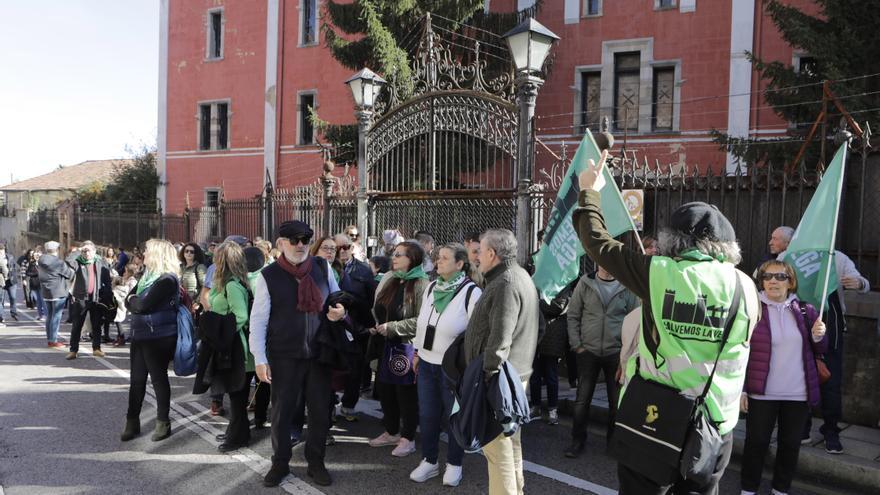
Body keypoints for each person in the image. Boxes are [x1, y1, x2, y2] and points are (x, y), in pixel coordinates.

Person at [573, 157, 760, 494]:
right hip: (715, 421)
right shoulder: (746, 287)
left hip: (655, 414)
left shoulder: (659, 272)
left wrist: (589, 191)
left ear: (671, 240)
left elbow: (598, 244)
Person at [249, 220, 344, 487]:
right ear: (281, 243)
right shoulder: (268, 276)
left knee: (319, 412)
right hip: (284, 355)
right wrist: (260, 358)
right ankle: (279, 464)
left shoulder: (322, 267)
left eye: (305, 239)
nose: (300, 245)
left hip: (319, 353)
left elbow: (338, 299)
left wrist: (341, 312)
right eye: (294, 240)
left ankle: (316, 462)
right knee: (282, 412)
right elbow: (258, 320)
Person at [771, 225, 870, 454]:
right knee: (800, 379)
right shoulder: (787, 257)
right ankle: (802, 427)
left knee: (831, 382)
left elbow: (862, 282)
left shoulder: (838, 258)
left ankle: (831, 430)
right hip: (797, 325)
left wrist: (859, 284)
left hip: (831, 326)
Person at [463, 229, 540, 495]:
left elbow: (500, 339)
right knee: (509, 442)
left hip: (500, 378)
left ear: (492, 254)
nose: (476, 257)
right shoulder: (515, 276)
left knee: (497, 449)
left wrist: (486, 375)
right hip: (513, 375)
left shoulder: (505, 282)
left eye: (479, 251)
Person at [740, 260, 827, 495]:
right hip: (762, 392)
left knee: (790, 445)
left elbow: (820, 350)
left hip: (797, 393)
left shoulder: (805, 311)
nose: (773, 282)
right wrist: (743, 389)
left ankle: (781, 489)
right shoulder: (751, 309)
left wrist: (819, 336)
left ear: (790, 282)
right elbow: (740, 352)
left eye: (779, 277)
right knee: (756, 443)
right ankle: (748, 490)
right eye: (767, 277)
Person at [409, 243, 481, 486]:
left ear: (460, 264)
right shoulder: (431, 287)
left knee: (454, 418)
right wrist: (417, 352)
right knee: (427, 415)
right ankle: (429, 461)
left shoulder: (471, 292)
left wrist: (469, 367)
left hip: (452, 369)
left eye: (444, 259)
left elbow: (477, 335)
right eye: (438, 258)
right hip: (427, 363)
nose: (438, 262)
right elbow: (421, 323)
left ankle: (454, 463)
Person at [564, 264, 640, 457]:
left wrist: (627, 354)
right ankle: (577, 441)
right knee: (582, 400)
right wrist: (577, 344)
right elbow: (573, 315)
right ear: (597, 263)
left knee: (616, 403)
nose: (607, 266)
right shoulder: (585, 283)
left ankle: (613, 444)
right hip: (587, 350)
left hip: (616, 353)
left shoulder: (626, 286)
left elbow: (635, 321)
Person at [368, 240, 429, 458]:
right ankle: (391, 431)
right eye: (394, 253)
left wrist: (393, 327)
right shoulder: (392, 279)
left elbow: (422, 320)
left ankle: (408, 438)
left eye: (400, 254)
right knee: (385, 392)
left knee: (406, 395)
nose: (394, 257)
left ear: (413, 259)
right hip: (385, 345)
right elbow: (378, 307)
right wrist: (378, 325)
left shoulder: (422, 283)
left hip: (406, 347)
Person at [121, 239, 181, 442]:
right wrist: (133, 302)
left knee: (158, 378)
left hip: (159, 336)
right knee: (136, 380)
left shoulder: (167, 280)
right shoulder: (147, 277)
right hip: (140, 334)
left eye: (147, 251)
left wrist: (133, 302)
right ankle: (132, 421)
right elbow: (129, 299)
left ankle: (163, 423)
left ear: (156, 254)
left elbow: (142, 305)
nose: (143, 254)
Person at [202, 241, 252, 452]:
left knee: (237, 395)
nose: (213, 258)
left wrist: (221, 331)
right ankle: (238, 432)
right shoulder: (226, 283)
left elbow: (241, 316)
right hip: (228, 346)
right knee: (235, 394)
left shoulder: (232, 285)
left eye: (217, 256)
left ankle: (238, 436)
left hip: (235, 348)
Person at [334, 233, 378, 421]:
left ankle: (348, 406)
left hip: (355, 326)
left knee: (355, 368)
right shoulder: (325, 267)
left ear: (352, 248)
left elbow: (370, 300)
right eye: (338, 248)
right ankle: (327, 407)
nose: (342, 251)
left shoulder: (363, 270)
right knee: (329, 368)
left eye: (346, 247)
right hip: (332, 328)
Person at [529, 277, 577, 427]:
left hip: (553, 334)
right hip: (535, 332)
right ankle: (535, 407)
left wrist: (537, 303)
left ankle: (552, 409)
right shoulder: (538, 278)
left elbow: (558, 306)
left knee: (551, 375)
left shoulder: (564, 281)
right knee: (534, 375)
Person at [64, 241, 113, 360]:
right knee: (77, 325)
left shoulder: (101, 262)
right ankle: (73, 350)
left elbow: (107, 280)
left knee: (96, 324)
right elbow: (68, 261)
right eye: (84, 251)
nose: (86, 253)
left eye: (88, 251)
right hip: (80, 298)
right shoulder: (78, 261)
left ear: (94, 251)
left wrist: (107, 295)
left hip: (96, 297)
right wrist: (77, 251)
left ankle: (96, 348)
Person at [37, 241, 75, 348]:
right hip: (58, 291)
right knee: (56, 316)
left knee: (50, 315)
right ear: (57, 250)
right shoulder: (58, 262)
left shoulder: (41, 260)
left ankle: (50, 339)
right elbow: (70, 274)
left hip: (46, 291)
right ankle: (53, 340)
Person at [111, 264, 138, 346]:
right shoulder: (127, 279)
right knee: (117, 318)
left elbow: (131, 292)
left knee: (118, 319)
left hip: (126, 302)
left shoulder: (132, 281)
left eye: (126, 271)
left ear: (130, 272)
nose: (124, 272)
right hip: (122, 301)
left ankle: (122, 337)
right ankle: (120, 336)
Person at [23, 250, 45, 320]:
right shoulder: (31, 263)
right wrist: (36, 273)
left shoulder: (43, 263)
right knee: (38, 300)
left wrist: (36, 272)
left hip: (42, 283)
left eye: (37, 255)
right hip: (34, 284)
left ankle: (44, 314)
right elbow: (28, 273)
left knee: (42, 300)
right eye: (35, 256)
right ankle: (40, 314)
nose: (36, 257)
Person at [0, 243, 19, 323]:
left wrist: (13, 274)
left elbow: (15, 267)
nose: (1, 252)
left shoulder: (10, 257)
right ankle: (1, 316)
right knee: (1, 299)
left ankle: (13, 313)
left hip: (11, 280)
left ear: (4, 250)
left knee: (13, 297)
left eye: (2, 250)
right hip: (1, 281)